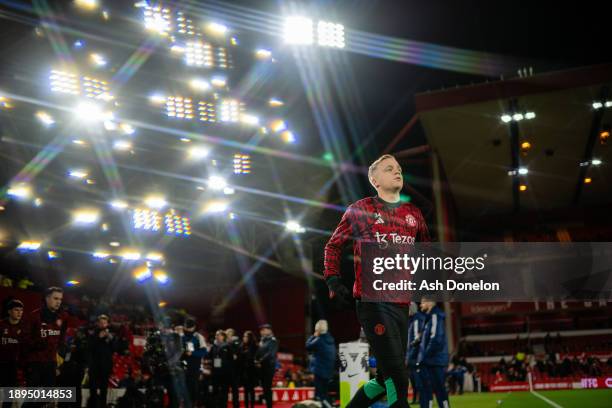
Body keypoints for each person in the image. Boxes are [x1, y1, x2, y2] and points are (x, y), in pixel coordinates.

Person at [324, 154, 430, 408]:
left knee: (384, 380)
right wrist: (333, 279)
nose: (398, 172)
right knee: (398, 377)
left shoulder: (413, 213)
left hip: (401, 304)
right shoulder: (360, 210)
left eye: (400, 169)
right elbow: (333, 246)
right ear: (374, 179)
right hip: (372, 302)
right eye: (389, 169)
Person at [24, 287, 66, 388]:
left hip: (51, 364)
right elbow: (24, 340)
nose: (58, 302)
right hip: (35, 363)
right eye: (55, 298)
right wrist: (37, 344)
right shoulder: (34, 316)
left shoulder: (61, 318)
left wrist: (58, 362)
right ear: (47, 298)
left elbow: (61, 341)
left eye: (60, 299)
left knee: (46, 397)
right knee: (32, 398)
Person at [417, 298, 450, 408]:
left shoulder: (435, 316)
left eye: (422, 302)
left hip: (435, 360)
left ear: (430, 302)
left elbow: (436, 338)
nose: (420, 305)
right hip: (433, 360)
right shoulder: (430, 317)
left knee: (440, 389)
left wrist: (425, 356)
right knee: (437, 389)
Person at [88, 314, 116, 408]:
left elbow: (116, 348)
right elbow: (89, 348)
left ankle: (102, 406)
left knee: (104, 390)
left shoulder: (111, 335)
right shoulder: (93, 334)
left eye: (104, 322)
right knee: (93, 389)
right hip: (94, 366)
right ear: (98, 323)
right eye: (101, 322)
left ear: (107, 323)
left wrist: (110, 338)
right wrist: (98, 337)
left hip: (105, 367)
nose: (103, 324)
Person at [0, 299, 25, 408]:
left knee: (8, 395)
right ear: (9, 311)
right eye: (16, 310)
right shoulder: (1, 325)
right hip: (0, 363)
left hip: (13, 366)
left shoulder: (24, 327)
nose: (19, 313)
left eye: (21, 310)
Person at [306, 320, 336, 408]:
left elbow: (307, 346)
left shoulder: (319, 340)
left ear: (317, 329)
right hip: (328, 371)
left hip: (320, 371)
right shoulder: (330, 339)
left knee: (321, 395)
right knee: (324, 393)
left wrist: (313, 336)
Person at [182, 318, 207, 407]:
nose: (187, 329)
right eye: (186, 327)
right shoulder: (181, 337)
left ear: (194, 327)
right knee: (184, 389)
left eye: (189, 327)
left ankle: (193, 405)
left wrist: (192, 353)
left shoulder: (198, 337)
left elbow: (204, 352)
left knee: (194, 389)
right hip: (183, 367)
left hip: (194, 367)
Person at [255, 323, 278, 408]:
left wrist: (260, 360)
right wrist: (255, 360)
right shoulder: (262, 340)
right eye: (261, 330)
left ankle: (269, 406)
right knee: (265, 388)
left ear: (269, 330)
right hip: (262, 367)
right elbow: (258, 352)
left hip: (269, 367)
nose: (262, 331)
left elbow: (271, 354)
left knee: (267, 388)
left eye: (264, 329)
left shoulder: (273, 340)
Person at [406, 303, 425, 404]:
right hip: (411, 354)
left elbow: (416, 339)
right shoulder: (411, 321)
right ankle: (415, 398)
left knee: (417, 378)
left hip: (415, 355)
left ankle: (420, 398)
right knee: (413, 379)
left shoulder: (417, 320)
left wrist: (409, 356)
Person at [210, 329, 233, 408]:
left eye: (218, 335)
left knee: (224, 391)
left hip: (225, 373)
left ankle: (223, 405)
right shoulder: (213, 346)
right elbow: (210, 357)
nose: (217, 336)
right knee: (215, 390)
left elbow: (231, 359)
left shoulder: (227, 346)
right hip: (215, 372)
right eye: (216, 335)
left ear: (223, 337)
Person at [240, 331, 259, 408]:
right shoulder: (242, 346)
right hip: (244, 371)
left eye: (246, 336)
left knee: (251, 390)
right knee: (246, 390)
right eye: (243, 336)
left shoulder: (255, 346)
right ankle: (246, 406)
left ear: (249, 338)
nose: (244, 338)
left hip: (252, 371)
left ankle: (252, 406)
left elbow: (254, 358)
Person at [225, 328, 241, 408]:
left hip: (235, 370)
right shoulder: (223, 342)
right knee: (225, 390)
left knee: (235, 389)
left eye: (230, 333)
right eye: (227, 333)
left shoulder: (236, 342)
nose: (228, 334)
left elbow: (236, 355)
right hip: (225, 370)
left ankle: (236, 405)